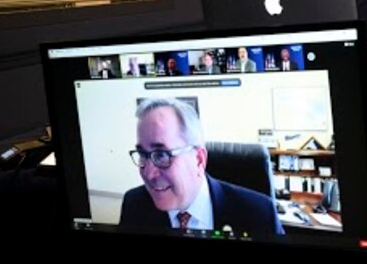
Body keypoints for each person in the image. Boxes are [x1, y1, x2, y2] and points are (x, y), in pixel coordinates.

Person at [119, 97, 284, 236]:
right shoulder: (134, 205)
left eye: (161, 155)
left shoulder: (259, 213)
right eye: (142, 155)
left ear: (198, 159)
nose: (148, 173)